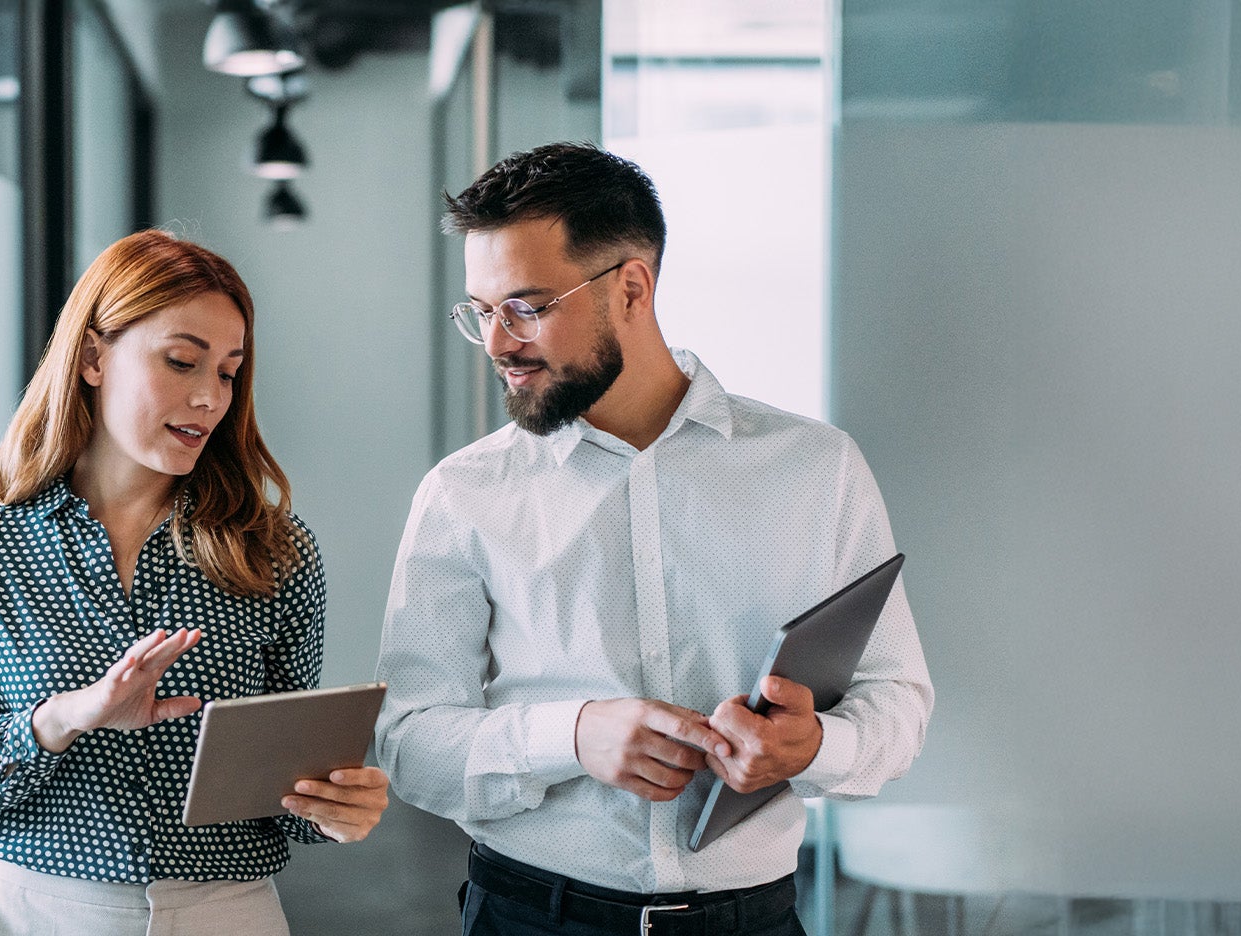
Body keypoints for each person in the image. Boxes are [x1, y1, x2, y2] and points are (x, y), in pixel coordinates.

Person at [372, 143, 934, 936]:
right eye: (481, 310)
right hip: (533, 919)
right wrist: (571, 735)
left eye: (527, 307)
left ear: (631, 287)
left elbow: (898, 703)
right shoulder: (464, 494)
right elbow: (408, 742)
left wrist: (810, 750)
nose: (497, 343)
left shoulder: (816, 469)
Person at [0, 230, 390, 936]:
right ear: (94, 357)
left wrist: (338, 807)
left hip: (226, 913)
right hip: (36, 912)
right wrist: (62, 718)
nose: (208, 398)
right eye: (180, 361)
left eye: (228, 372)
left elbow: (286, 795)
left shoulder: (275, 551)